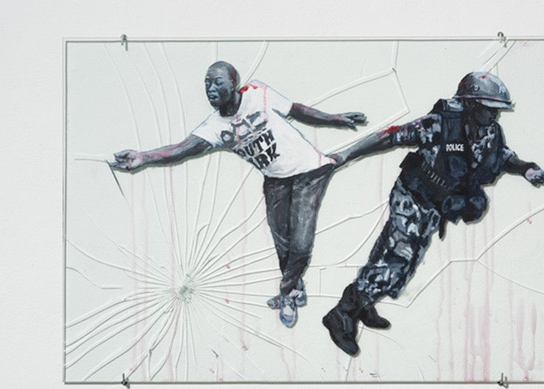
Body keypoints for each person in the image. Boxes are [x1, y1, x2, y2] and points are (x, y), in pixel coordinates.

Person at [110, 61, 366, 328]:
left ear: (233, 84)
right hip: (275, 181)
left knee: (300, 246)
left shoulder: (257, 92)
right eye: (206, 84)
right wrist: (144, 157)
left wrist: (334, 119)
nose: (210, 89)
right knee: (283, 246)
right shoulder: (213, 127)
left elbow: (296, 110)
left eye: (217, 82)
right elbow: (182, 149)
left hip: (308, 171)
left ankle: (286, 291)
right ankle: (293, 290)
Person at [323, 72, 544, 356]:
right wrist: (345, 155)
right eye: (489, 108)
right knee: (398, 259)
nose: (495, 115)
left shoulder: (490, 132)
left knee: (397, 258)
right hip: (413, 197)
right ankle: (342, 314)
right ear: (471, 104)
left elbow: (502, 156)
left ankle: (363, 302)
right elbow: (391, 136)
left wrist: (526, 168)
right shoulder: (440, 124)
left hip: (435, 206)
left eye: (497, 110)